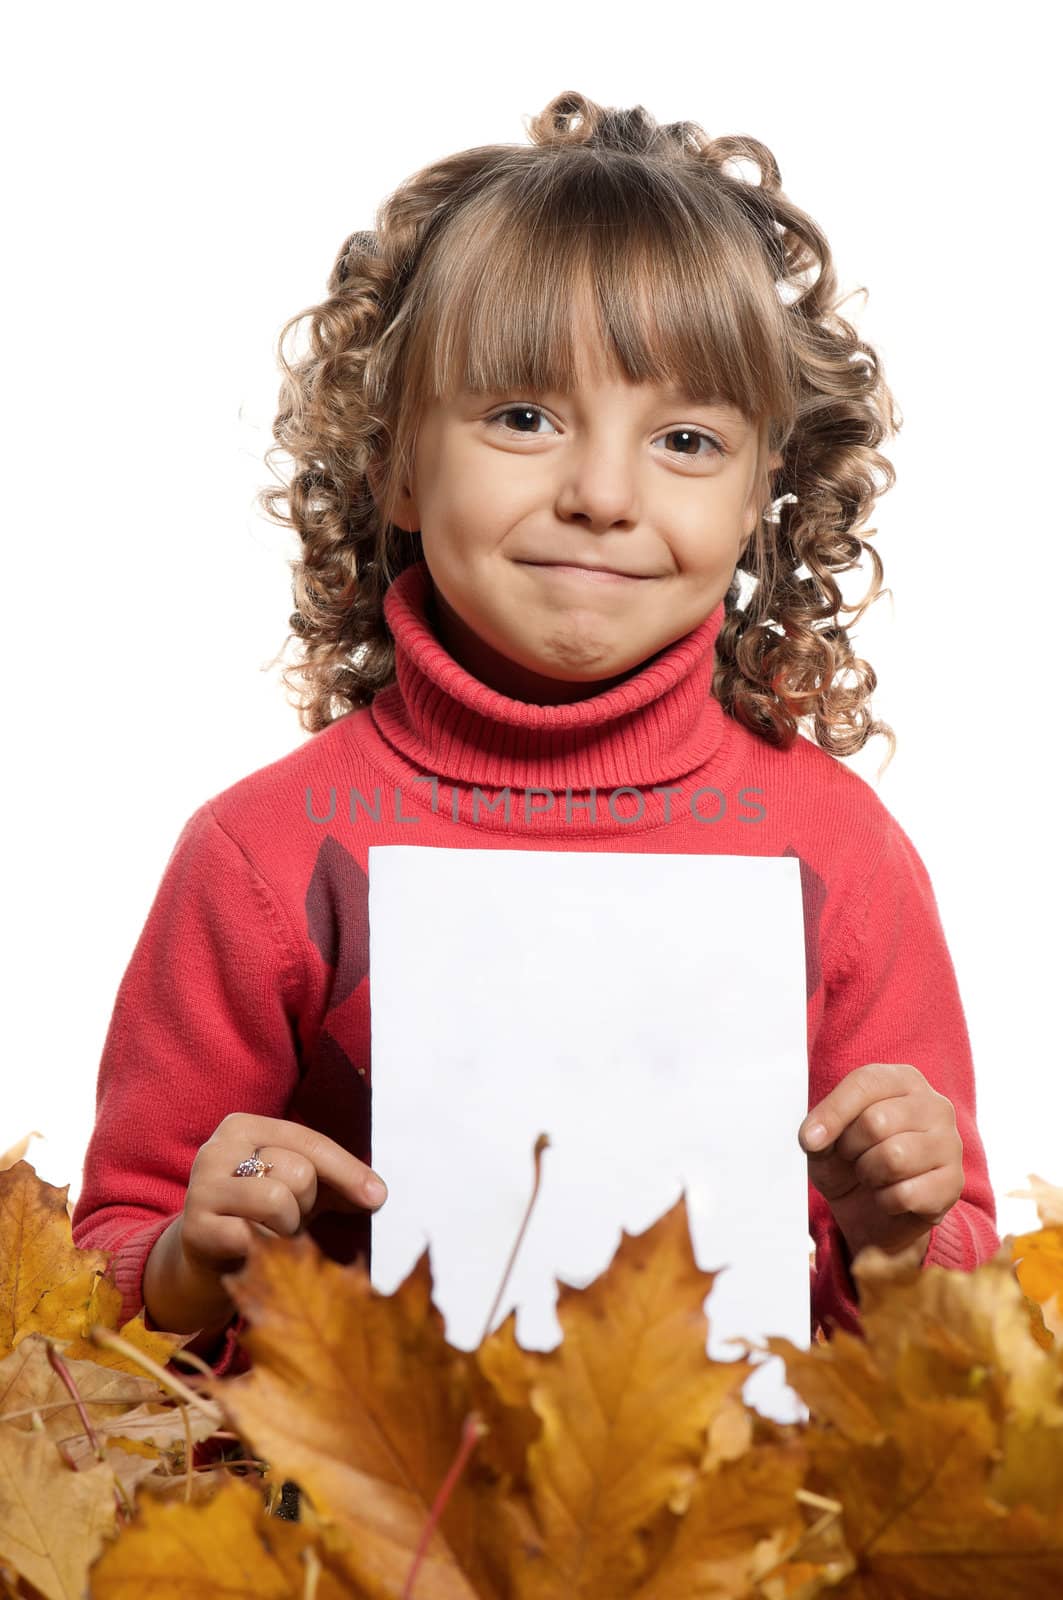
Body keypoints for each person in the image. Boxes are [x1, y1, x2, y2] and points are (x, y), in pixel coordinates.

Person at [71, 89, 1000, 1380]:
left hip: (719, 1540)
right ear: (396, 461)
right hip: (346, 1541)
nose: (603, 495)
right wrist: (186, 1257)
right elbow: (106, 1263)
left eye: (683, 439)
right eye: (523, 417)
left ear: (757, 501)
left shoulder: (835, 860)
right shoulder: (264, 860)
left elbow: (950, 1289)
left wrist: (896, 1228)